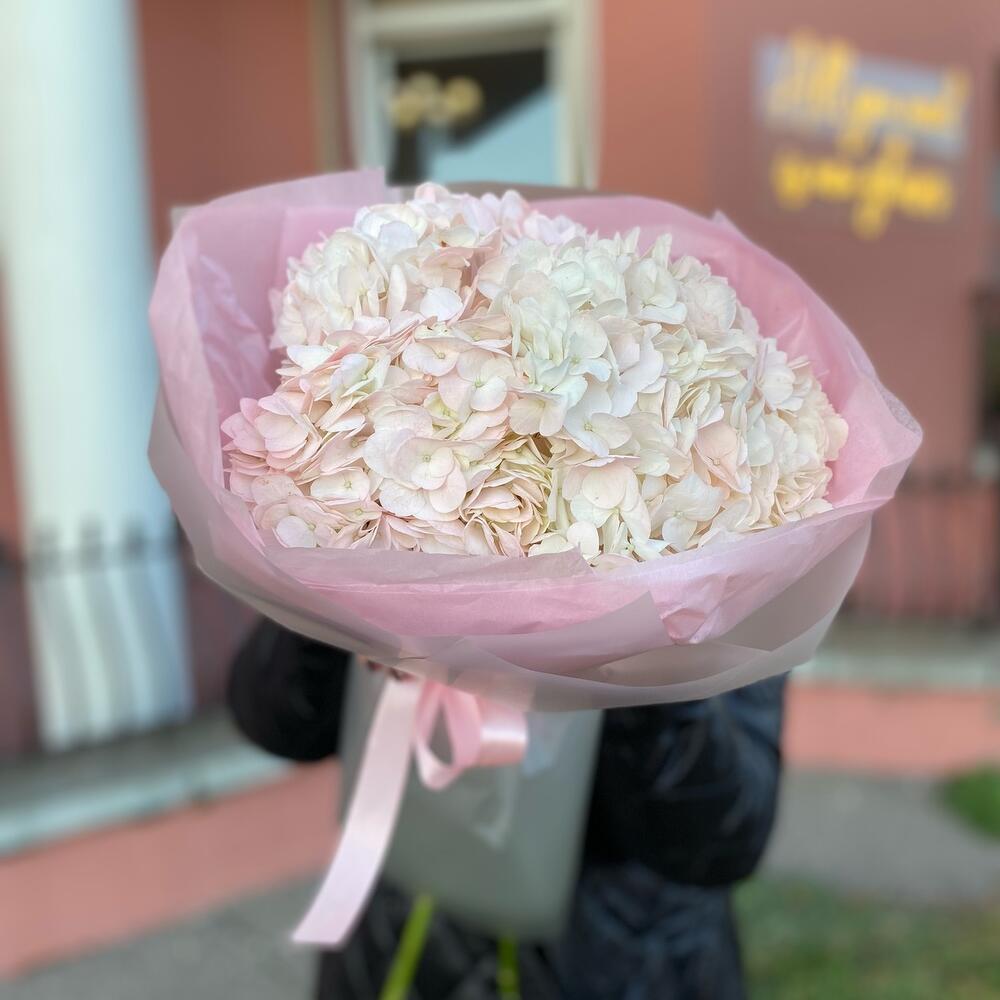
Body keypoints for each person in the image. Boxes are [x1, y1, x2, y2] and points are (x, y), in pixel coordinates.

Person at [229, 620, 786, 1000]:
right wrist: (337, 609)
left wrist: (643, 655)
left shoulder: (726, 526)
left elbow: (728, 837)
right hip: (397, 937)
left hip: (619, 960)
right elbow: (276, 720)